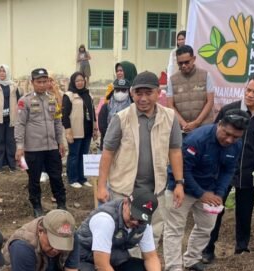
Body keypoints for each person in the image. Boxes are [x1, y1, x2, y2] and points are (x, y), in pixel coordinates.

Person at [97, 71, 184, 247]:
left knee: (153, 232)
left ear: (158, 93)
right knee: (122, 233)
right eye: (138, 93)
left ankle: (146, 268)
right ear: (132, 93)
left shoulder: (169, 117)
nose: (143, 98)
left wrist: (179, 183)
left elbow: (175, 151)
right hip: (124, 189)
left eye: (148, 93)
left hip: (155, 189)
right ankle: (123, 270)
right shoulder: (121, 118)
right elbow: (107, 152)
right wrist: (101, 186)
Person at [163, 111, 249, 271]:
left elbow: (228, 170)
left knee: (206, 226)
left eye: (236, 137)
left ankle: (192, 258)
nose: (230, 140)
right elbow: (183, 169)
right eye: (227, 134)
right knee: (175, 228)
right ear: (220, 125)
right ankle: (173, 268)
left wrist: (219, 193)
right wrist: (201, 194)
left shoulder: (236, 146)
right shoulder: (197, 139)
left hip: (209, 189)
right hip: (181, 188)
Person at [202, 75, 254, 262]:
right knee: (216, 209)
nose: (250, 95)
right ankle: (207, 249)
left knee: (245, 211)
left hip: (249, 171)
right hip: (223, 171)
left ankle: (242, 249)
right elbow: (215, 136)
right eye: (248, 90)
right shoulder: (229, 111)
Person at [75, 189, 170, 271]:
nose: (135, 223)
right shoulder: (105, 219)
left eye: (141, 220)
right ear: (126, 203)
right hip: (85, 260)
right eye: (133, 216)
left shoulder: (144, 225)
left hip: (114, 258)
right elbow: (101, 265)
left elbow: (151, 257)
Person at [16, 68, 67, 217]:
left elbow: (57, 121)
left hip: (51, 147)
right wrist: (20, 147)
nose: (42, 84)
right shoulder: (24, 101)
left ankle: (61, 203)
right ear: (32, 83)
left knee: (56, 176)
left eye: (45, 81)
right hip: (33, 148)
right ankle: (37, 205)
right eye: (39, 82)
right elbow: (20, 124)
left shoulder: (52, 99)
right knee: (34, 179)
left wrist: (60, 141)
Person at [167, 45, 215, 135]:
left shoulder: (205, 75)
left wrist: (196, 123)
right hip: (182, 130)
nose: (183, 66)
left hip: (204, 128)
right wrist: (183, 124)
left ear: (193, 59)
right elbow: (170, 105)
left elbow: (210, 101)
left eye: (186, 62)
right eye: (180, 63)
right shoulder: (172, 79)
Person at [63, 72, 96, 188]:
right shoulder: (69, 95)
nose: (80, 83)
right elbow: (65, 115)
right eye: (77, 81)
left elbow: (93, 112)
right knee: (74, 155)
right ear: (73, 82)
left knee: (84, 155)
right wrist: (68, 130)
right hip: (75, 131)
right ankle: (73, 179)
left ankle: (82, 178)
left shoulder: (88, 95)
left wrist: (95, 128)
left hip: (87, 130)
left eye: (82, 80)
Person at [98, 78, 131, 144]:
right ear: (113, 91)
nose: (120, 92)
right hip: (108, 144)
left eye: (123, 90)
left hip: (128, 143)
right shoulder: (106, 107)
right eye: (117, 90)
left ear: (128, 92)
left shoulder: (133, 107)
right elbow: (102, 127)